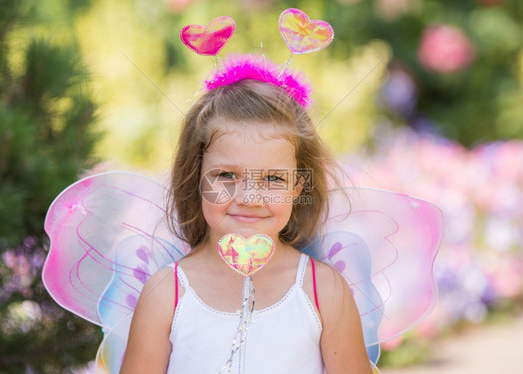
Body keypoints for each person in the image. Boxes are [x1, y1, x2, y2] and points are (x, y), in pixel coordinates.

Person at [119, 55, 374, 373]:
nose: (251, 198)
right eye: (227, 175)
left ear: (298, 186)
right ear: (196, 177)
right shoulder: (166, 295)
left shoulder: (324, 292)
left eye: (273, 178)